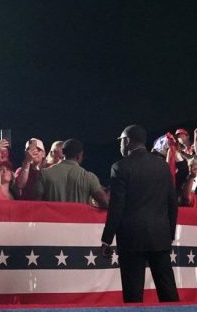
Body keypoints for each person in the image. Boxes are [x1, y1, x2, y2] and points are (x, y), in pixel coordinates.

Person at [101, 125, 179, 303]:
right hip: (160, 236)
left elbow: (116, 207)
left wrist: (107, 239)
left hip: (131, 239)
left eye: (121, 141)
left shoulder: (119, 167)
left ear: (127, 141)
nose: (120, 145)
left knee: (133, 293)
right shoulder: (162, 166)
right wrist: (170, 234)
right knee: (168, 290)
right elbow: (172, 203)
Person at [34, 139, 108, 207]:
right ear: (79, 155)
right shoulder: (89, 177)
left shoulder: (44, 174)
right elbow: (105, 202)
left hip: (52, 221)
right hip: (78, 220)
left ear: (63, 152)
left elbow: (36, 204)